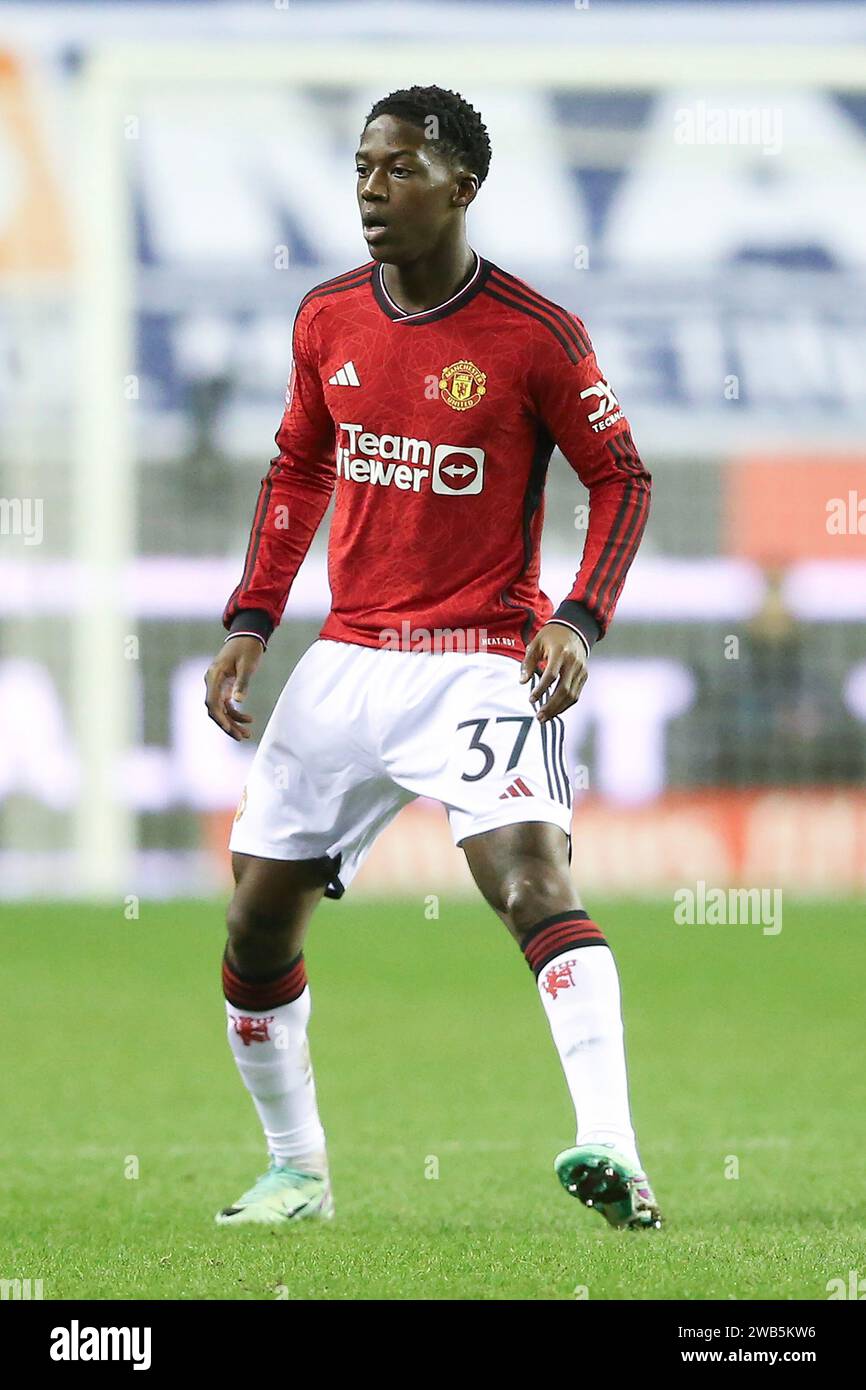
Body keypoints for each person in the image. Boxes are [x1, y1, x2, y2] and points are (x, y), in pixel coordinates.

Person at [204, 86, 659, 1231]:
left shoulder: (532, 336)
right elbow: (299, 466)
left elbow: (622, 477)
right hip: (350, 656)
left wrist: (576, 619)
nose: (370, 189)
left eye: (398, 169)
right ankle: (296, 1171)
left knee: (526, 880)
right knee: (256, 925)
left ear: (460, 185)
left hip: (480, 658)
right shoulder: (325, 320)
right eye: (361, 167)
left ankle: (611, 1147)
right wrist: (253, 619)